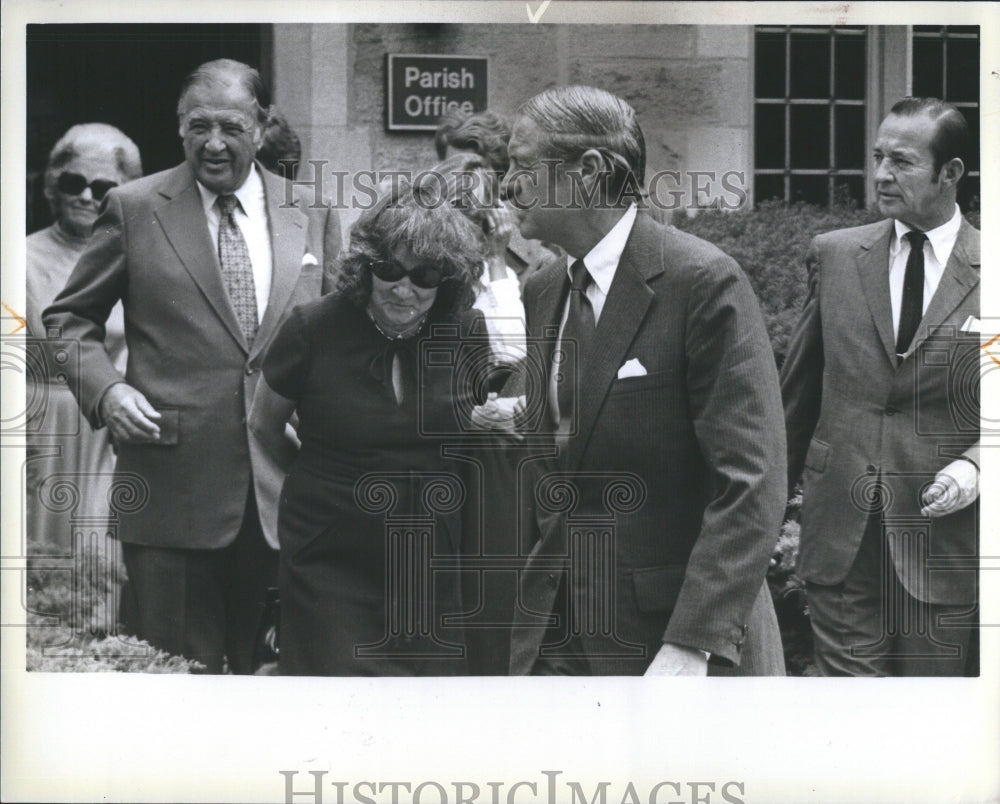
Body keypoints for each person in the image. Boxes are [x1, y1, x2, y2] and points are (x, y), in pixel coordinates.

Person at [42, 58, 342, 674]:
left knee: (279, 688)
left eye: (231, 126)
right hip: (170, 493)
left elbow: (337, 333)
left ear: (261, 127)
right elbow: (68, 321)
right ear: (179, 127)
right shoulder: (134, 207)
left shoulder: (309, 212)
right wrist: (108, 393)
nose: (213, 142)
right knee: (177, 688)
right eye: (197, 125)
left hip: (287, 492)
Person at [501, 86, 786, 676]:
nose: (505, 185)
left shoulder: (702, 283)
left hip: (673, 649)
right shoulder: (543, 289)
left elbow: (751, 482)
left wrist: (692, 643)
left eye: (523, 166)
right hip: (557, 642)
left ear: (590, 172)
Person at [248, 178, 485, 675]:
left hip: (427, 555)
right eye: (389, 269)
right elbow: (264, 425)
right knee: (336, 701)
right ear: (365, 265)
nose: (404, 287)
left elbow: (470, 433)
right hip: (329, 552)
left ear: (447, 279)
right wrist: (322, 478)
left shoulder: (465, 331)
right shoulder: (312, 327)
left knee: (424, 709)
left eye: (424, 276)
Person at [780, 97, 980, 676]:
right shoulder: (837, 256)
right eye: (877, 157)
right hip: (840, 531)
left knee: (924, 725)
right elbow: (796, 398)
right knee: (851, 717)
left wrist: (973, 468)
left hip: (943, 539)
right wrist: (761, 515)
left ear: (952, 174)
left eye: (902, 162)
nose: (881, 175)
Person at [25, 123, 142, 552]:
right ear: (53, 186)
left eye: (103, 187)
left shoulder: (141, 259)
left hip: (114, 428)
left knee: (102, 554)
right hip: (42, 427)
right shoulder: (18, 259)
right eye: (74, 182)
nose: (87, 196)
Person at [435, 109, 559, 287]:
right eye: (450, 170)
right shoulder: (422, 243)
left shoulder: (540, 264)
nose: (457, 184)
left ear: (502, 180)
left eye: (471, 172)